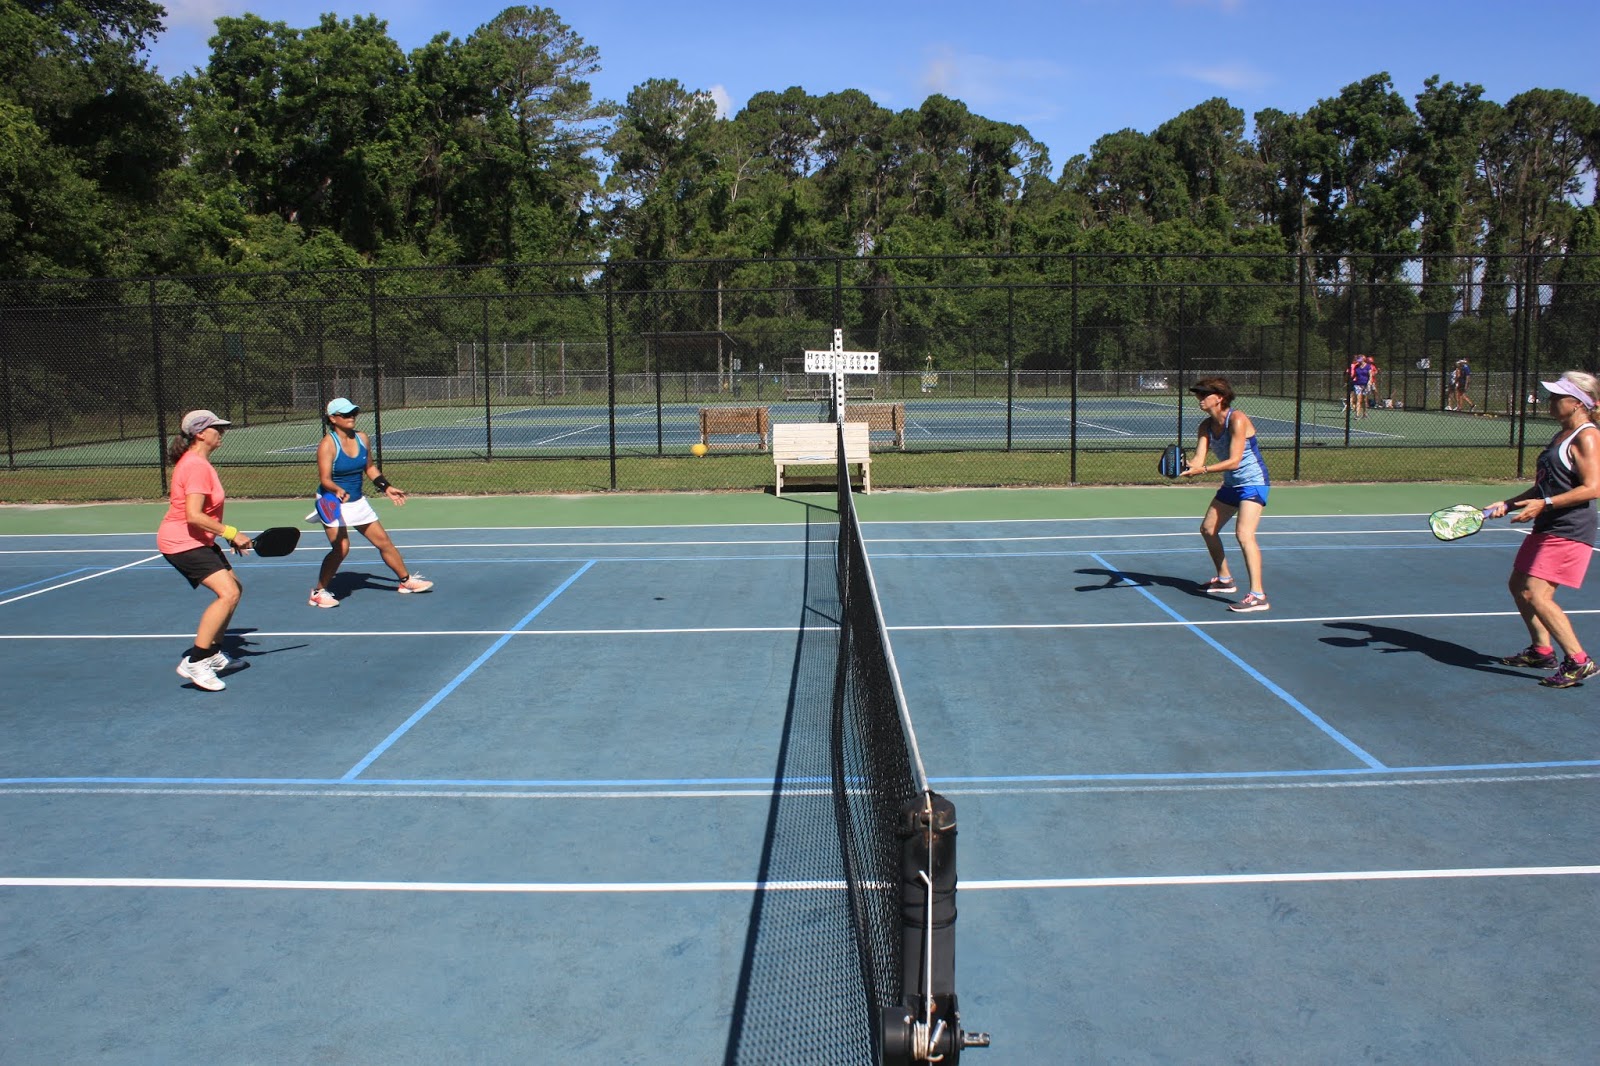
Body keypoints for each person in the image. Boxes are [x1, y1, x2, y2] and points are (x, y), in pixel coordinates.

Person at [1482, 372, 1600, 688]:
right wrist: (1509, 503)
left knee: (1537, 594)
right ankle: (1541, 651)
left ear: (1578, 403)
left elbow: (1593, 488)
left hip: (1570, 527)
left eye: (1558, 396)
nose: (1550, 401)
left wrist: (1544, 504)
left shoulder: (1587, 437)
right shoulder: (1561, 435)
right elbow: (1545, 486)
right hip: (1548, 523)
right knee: (1519, 586)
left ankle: (1579, 661)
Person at [158, 410, 252, 692]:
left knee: (235, 588)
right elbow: (193, 515)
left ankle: (211, 653)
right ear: (200, 434)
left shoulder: (198, 463)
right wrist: (231, 533)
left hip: (199, 539)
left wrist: (221, 535)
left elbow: (204, 516)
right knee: (228, 593)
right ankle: (196, 661)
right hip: (182, 542)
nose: (221, 433)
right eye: (216, 428)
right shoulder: (195, 466)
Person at [309, 397, 434, 607]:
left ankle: (405, 581)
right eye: (346, 414)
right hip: (332, 502)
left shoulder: (362, 438)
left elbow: (370, 467)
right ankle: (318, 592)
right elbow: (325, 479)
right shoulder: (327, 445)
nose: (351, 417)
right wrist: (337, 489)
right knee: (341, 548)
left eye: (353, 413)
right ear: (332, 418)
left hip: (357, 501)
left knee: (384, 542)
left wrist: (387, 487)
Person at [1181, 377, 1271, 612]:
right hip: (1231, 485)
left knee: (1244, 534)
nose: (1199, 398)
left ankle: (1258, 595)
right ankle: (1224, 579)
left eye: (1204, 394)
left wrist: (1203, 470)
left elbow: (1234, 461)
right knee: (1208, 529)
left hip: (1253, 483)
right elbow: (1198, 460)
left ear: (1219, 397)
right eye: (1198, 394)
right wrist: (1185, 467)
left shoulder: (1237, 419)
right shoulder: (1205, 426)